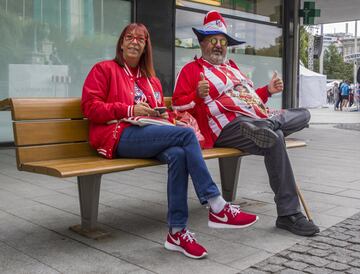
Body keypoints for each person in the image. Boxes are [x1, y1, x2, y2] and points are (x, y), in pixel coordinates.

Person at [82, 22, 258, 260]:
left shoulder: (150, 80)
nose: (134, 42)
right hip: (116, 136)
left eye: (140, 39)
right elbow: (90, 108)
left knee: (178, 153)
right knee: (185, 136)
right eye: (129, 37)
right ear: (121, 43)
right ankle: (216, 204)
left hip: (146, 132)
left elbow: (160, 110)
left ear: (146, 47)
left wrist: (162, 114)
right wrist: (129, 108)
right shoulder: (104, 69)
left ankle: (177, 232)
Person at [172, 11, 320, 237]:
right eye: (213, 40)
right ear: (202, 43)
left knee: (303, 114)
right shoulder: (192, 70)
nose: (218, 46)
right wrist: (196, 94)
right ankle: (289, 214)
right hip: (225, 127)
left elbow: (250, 99)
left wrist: (267, 91)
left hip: (255, 119)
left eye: (222, 41)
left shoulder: (233, 68)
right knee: (274, 136)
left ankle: (268, 126)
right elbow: (178, 106)